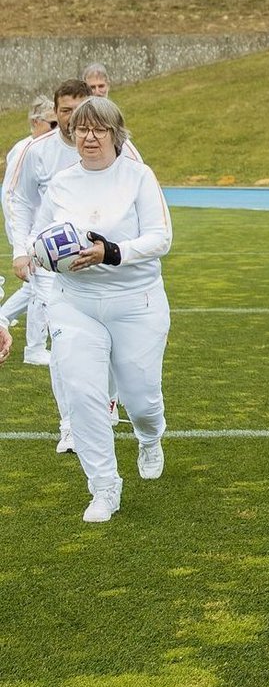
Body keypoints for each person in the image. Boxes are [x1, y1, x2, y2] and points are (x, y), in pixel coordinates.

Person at [31, 96, 172, 523]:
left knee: (140, 399)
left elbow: (160, 238)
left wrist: (110, 251)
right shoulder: (60, 183)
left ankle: (150, 437)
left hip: (136, 301)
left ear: (115, 133)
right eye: (82, 129)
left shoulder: (138, 177)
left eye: (99, 129)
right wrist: (40, 255)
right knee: (83, 394)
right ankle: (104, 487)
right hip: (75, 303)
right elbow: (39, 237)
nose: (89, 137)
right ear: (72, 134)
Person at [4, 80, 141, 452]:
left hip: (105, 265)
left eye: (82, 110)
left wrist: (127, 249)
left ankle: (108, 403)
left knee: (112, 345)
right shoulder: (36, 151)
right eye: (67, 111)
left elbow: (139, 191)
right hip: (53, 267)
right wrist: (22, 249)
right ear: (56, 112)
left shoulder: (121, 149)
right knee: (64, 347)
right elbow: (18, 202)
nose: (75, 119)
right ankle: (69, 425)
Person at [2, 96, 58, 364]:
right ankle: (35, 349)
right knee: (40, 287)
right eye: (52, 122)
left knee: (37, 285)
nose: (58, 128)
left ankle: (2, 318)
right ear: (36, 122)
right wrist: (20, 241)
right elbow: (12, 196)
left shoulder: (50, 148)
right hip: (31, 234)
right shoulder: (26, 149)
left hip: (44, 232)